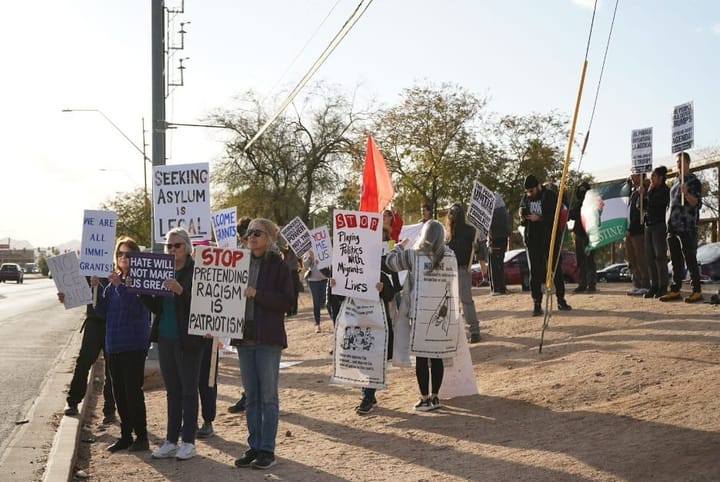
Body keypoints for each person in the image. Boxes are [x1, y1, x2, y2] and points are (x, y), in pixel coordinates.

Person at [233, 218, 293, 470]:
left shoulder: (278, 266)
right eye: (248, 233)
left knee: (268, 397)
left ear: (268, 237)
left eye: (257, 233)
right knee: (252, 397)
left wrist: (258, 295)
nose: (251, 237)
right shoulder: (236, 264)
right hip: (243, 338)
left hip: (267, 338)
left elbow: (288, 302)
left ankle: (267, 449)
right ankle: (254, 446)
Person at [142, 228, 205, 461]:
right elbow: (156, 306)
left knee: (189, 390)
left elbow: (204, 303)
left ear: (187, 247)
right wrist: (140, 290)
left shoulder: (196, 270)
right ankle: (170, 440)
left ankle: (188, 441)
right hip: (166, 337)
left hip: (188, 339)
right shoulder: (162, 269)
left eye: (177, 245)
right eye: (169, 246)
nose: (172, 249)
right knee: (173, 391)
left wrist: (181, 291)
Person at [385, 220, 451, 411]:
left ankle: (424, 398)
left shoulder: (413, 256)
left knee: (422, 357)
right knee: (436, 355)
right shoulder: (449, 255)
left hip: (419, 311)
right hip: (441, 310)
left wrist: (399, 246)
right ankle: (436, 396)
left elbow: (390, 262)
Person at [93, 236, 151, 453]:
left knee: (132, 391)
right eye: (120, 254)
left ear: (135, 256)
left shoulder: (141, 280)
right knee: (119, 392)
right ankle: (126, 435)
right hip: (113, 344)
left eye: (128, 254)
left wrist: (119, 286)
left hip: (133, 345)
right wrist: (97, 289)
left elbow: (136, 309)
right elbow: (102, 312)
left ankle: (142, 436)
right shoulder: (114, 281)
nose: (124, 258)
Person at [60, 277, 116, 424]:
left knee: (113, 368)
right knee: (83, 362)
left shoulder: (117, 269)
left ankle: (110, 410)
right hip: (93, 323)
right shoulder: (88, 271)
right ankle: (73, 402)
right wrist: (65, 297)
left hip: (114, 323)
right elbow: (74, 294)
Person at [519, 175, 572, 316]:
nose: (530, 194)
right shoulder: (526, 198)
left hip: (549, 238)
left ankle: (561, 299)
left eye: (532, 190)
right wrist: (522, 218)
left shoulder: (549, 196)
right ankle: (537, 303)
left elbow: (557, 216)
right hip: (532, 240)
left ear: (538, 186)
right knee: (535, 272)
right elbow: (523, 219)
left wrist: (540, 218)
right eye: (528, 191)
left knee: (555, 269)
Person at [660, 152, 703, 303]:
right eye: (677, 161)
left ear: (688, 163)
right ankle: (675, 289)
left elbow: (696, 203)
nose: (678, 164)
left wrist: (687, 193)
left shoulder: (694, 182)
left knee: (690, 258)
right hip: (672, 228)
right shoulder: (675, 185)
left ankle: (696, 290)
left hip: (687, 227)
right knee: (675, 260)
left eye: (680, 161)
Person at [446, 203, 481, 343]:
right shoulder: (448, 232)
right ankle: (456, 332)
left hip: (462, 269)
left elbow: (478, 251)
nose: (453, 216)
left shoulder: (470, 231)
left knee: (465, 300)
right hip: (449, 270)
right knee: (451, 302)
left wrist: (476, 247)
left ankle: (474, 331)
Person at [228, 217, 251, 414]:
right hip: (238, 316)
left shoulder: (266, 256)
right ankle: (247, 395)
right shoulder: (236, 255)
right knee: (243, 360)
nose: (243, 240)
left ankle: (253, 395)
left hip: (257, 318)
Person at [641, 166, 670, 299]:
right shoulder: (649, 191)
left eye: (654, 176)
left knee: (660, 257)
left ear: (660, 178)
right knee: (650, 257)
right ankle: (654, 285)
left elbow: (654, 204)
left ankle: (663, 286)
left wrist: (647, 193)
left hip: (659, 226)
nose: (651, 178)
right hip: (648, 226)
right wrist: (642, 194)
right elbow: (640, 206)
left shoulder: (664, 191)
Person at [569, 181, 597, 293]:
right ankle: (582, 283)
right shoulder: (577, 203)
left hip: (589, 235)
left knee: (589, 260)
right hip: (579, 234)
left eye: (584, 190)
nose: (582, 192)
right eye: (580, 189)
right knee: (580, 261)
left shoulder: (592, 203)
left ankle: (591, 284)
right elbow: (572, 214)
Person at [626, 173, 650, 296]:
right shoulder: (632, 191)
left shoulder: (644, 190)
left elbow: (640, 211)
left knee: (641, 258)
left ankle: (645, 284)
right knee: (632, 260)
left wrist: (642, 192)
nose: (631, 176)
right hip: (629, 231)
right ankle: (637, 283)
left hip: (638, 230)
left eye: (634, 174)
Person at [488, 192, 510, 295]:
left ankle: (497, 288)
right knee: (500, 263)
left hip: (495, 240)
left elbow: (490, 226)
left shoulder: (494, 213)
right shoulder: (504, 211)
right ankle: (502, 286)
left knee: (494, 264)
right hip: (503, 239)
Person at [302, 249, 329, 333]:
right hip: (313, 281)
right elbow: (305, 265)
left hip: (324, 279)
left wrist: (320, 260)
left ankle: (334, 322)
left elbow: (329, 262)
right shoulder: (307, 252)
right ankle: (317, 324)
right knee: (316, 303)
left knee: (327, 302)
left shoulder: (323, 247)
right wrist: (310, 257)